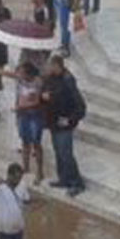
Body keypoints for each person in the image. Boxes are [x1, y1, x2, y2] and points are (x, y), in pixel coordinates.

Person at [0, 60, 45, 183]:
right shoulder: (20, 78)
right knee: (25, 142)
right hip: (22, 115)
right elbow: (1, 72)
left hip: (34, 116)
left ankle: (40, 172)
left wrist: (21, 107)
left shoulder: (38, 82)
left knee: (36, 144)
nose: (18, 73)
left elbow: (37, 102)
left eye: (21, 72)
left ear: (28, 73)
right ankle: (26, 168)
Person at [42, 55, 86, 196]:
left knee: (66, 153)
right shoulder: (50, 79)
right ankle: (63, 178)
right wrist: (44, 96)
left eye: (50, 65)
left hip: (64, 123)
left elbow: (80, 105)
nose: (47, 68)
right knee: (58, 152)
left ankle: (76, 183)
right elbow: (45, 92)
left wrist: (70, 120)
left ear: (56, 65)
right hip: (53, 121)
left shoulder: (68, 80)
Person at [0, 163, 31, 239]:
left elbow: (26, 200)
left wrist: (41, 201)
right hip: (4, 233)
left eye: (19, 178)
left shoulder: (22, 185)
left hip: (19, 230)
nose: (17, 181)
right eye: (15, 178)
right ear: (9, 175)